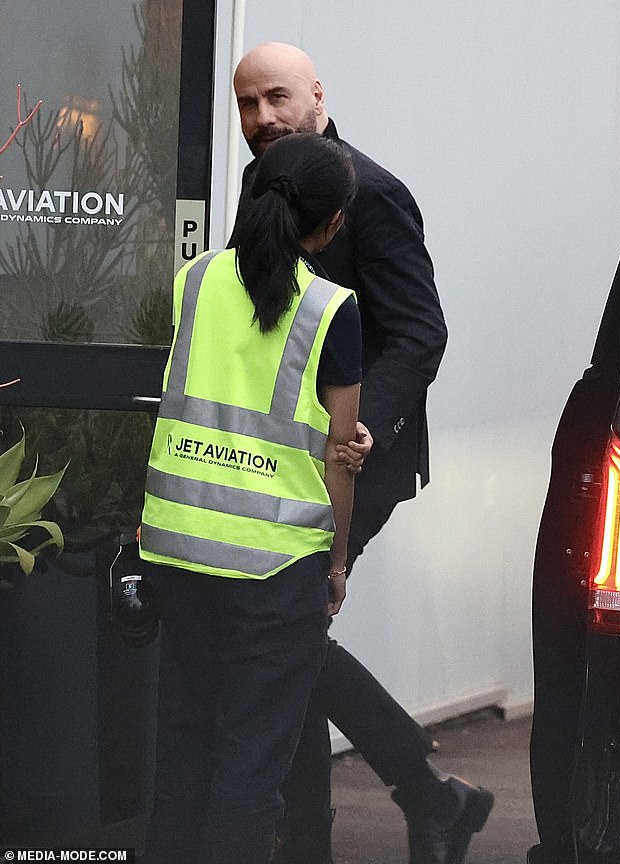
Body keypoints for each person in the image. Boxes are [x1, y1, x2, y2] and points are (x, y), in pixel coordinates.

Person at [229, 42, 494, 864]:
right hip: (276, 455)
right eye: (247, 104)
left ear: (316, 96)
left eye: (277, 97)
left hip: (358, 458)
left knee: (286, 630)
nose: (262, 118)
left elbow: (422, 329)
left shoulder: (372, 192)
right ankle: (418, 803)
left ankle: (385, 808)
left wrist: (361, 425)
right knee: (290, 633)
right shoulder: (261, 184)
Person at [138, 131, 362, 864]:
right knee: (249, 771)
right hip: (274, 569)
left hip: (177, 554)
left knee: (183, 756)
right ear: (329, 227)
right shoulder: (332, 309)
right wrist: (336, 564)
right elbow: (341, 454)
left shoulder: (194, 280)